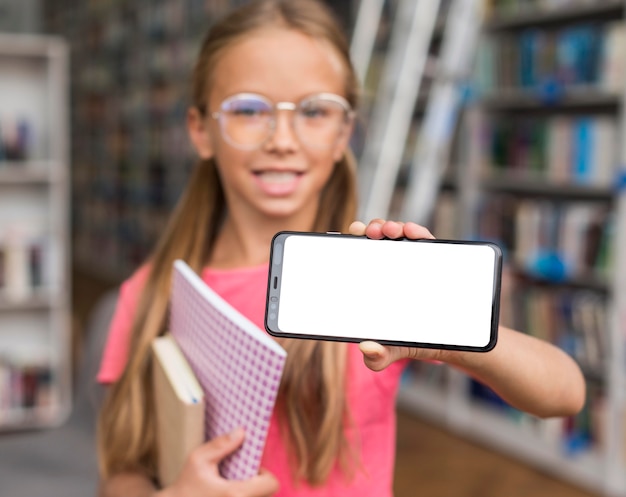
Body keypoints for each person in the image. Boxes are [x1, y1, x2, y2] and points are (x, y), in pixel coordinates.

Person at [95, 1, 586, 496]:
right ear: (201, 130)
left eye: (313, 111)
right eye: (249, 109)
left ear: (343, 134)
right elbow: (122, 472)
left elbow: (565, 393)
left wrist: (450, 327)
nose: (282, 139)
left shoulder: (370, 279)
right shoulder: (151, 292)